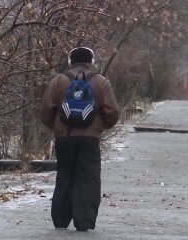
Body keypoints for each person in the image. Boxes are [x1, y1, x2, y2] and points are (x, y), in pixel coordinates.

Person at [39, 47, 120, 232]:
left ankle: (60, 220)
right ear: (91, 61)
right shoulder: (101, 82)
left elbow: (44, 111)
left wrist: (57, 127)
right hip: (90, 139)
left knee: (65, 175)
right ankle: (84, 221)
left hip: (64, 139)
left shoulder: (59, 80)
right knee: (88, 178)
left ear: (70, 61)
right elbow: (113, 112)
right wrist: (100, 127)